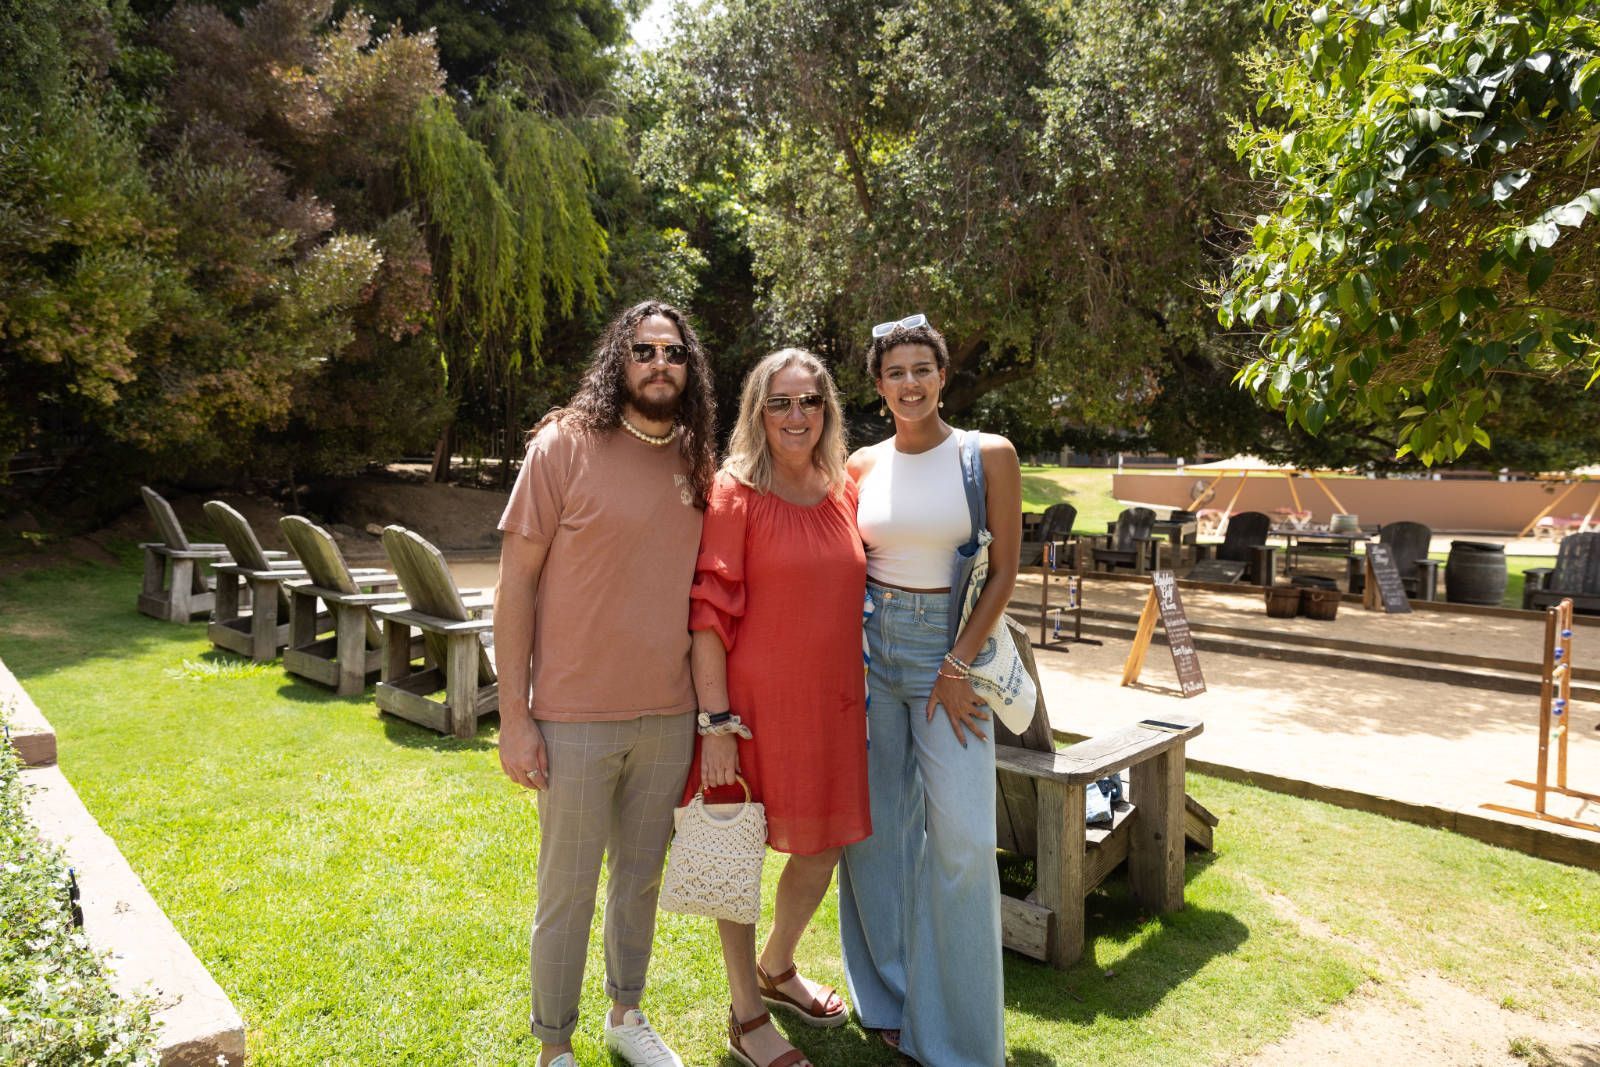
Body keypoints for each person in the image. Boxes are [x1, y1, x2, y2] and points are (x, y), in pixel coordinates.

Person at [494, 300, 718, 1067]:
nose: (661, 363)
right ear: (619, 360)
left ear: (690, 369)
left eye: (675, 352)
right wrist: (514, 716)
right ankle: (554, 1046)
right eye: (645, 349)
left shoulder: (698, 458)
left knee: (640, 880)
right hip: (573, 715)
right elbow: (514, 585)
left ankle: (626, 1014)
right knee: (567, 892)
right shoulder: (563, 445)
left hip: (668, 713)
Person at [837, 314, 1022, 1066]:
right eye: (895, 372)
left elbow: (1005, 570)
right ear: (878, 386)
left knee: (966, 842)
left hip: (952, 657)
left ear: (943, 376)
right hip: (872, 655)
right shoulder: (860, 465)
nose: (909, 383)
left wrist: (953, 665)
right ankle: (889, 994)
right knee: (874, 835)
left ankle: (959, 1037)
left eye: (923, 368)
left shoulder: (989, 456)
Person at [688, 348, 871, 1067]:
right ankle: (746, 1012)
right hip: (750, 710)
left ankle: (779, 962)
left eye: (810, 401)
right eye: (781, 402)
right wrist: (716, 724)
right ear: (757, 412)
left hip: (828, 709)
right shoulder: (733, 492)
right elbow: (707, 618)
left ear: (827, 411)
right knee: (735, 854)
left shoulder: (842, 489)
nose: (797, 415)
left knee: (821, 848)